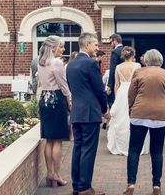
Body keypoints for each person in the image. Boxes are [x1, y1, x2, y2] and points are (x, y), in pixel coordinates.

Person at [124, 49, 165, 195]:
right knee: (157, 150)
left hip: (139, 112)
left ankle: (131, 184)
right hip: (161, 114)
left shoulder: (139, 73)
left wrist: (131, 109)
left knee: (134, 149)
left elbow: (131, 94)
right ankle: (156, 186)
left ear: (146, 61)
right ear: (161, 61)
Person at [66, 32, 110, 195]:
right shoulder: (91, 64)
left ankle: (77, 186)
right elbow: (99, 90)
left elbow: (72, 88)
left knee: (78, 148)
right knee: (88, 150)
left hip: (77, 112)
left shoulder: (70, 64)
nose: (97, 48)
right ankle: (85, 188)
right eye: (96, 45)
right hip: (90, 113)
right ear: (87, 45)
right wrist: (105, 110)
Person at [37, 35, 71, 188]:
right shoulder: (57, 63)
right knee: (57, 140)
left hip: (44, 99)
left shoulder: (40, 62)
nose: (63, 49)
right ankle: (56, 174)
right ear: (53, 48)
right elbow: (63, 86)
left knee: (48, 139)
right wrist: (70, 101)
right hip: (56, 99)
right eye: (61, 46)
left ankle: (49, 172)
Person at [107, 46, 149, 156]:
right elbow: (139, 81)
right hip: (133, 91)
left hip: (121, 92)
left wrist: (117, 98)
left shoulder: (118, 67)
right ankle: (134, 144)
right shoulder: (137, 66)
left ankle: (121, 145)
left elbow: (116, 84)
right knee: (133, 117)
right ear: (133, 55)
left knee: (120, 118)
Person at [106, 34, 124, 106]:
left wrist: (109, 85)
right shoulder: (126, 50)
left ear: (115, 41)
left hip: (117, 82)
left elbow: (112, 69)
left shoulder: (115, 52)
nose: (111, 44)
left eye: (111, 42)